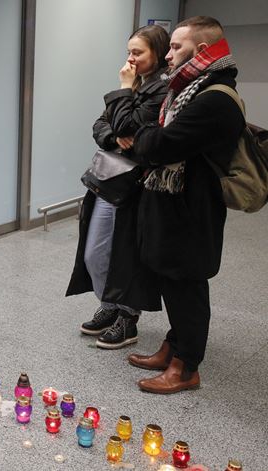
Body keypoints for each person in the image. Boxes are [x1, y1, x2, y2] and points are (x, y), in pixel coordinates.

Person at [125, 16, 244, 394]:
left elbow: (154, 148)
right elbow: (155, 143)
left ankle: (186, 367)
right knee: (173, 282)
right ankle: (172, 348)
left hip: (193, 212)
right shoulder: (188, 89)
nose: (169, 54)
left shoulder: (213, 98)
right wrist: (149, 138)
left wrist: (141, 130)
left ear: (203, 50)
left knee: (187, 286)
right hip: (175, 205)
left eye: (177, 47)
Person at [66, 25, 170, 349]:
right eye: (128, 52)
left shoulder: (162, 90)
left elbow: (128, 125)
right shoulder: (134, 86)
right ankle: (109, 306)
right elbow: (101, 125)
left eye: (138, 52)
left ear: (158, 53)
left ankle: (128, 318)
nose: (130, 59)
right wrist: (116, 137)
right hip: (110, 180)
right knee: (94, 253)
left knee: (126, 255)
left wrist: (124, 93)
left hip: (136, 186)